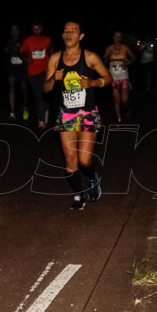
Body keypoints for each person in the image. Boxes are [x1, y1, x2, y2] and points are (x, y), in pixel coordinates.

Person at [44, 21, 112, 210]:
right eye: (65, 31)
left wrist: (93, 82)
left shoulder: (90, 57)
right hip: (66, 115)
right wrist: (52, 79)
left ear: (81, 36)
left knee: (84, 160)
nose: (68, 34)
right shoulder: (55, 59)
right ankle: (78, 195)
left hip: (88, 113)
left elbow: (108, 78)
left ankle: (92, 178)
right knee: (70, 159)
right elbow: (46, 88)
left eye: (73, 31)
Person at [21, 20, 53, 129]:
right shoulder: (28, 41)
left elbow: (52, 52)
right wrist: (26, 58)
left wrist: (53, 67)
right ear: (32, 29)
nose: (36, 31)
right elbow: (22, 52)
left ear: (42, 28)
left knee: (43, 94)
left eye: (38, 29)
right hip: (32, 72)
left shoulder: (47, 40)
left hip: (45, 71)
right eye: (34, 29)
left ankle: (42, 120)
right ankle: (42, 115)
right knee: (37, 96)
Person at [103, 31, 136, 122]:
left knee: (124, 100)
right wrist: (107, 56)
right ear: (113, 38)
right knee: (116, 100)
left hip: (123, 76)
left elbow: (134, 57)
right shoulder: (109, 48)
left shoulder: (125, 48)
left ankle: (126, 107)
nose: (117, 39)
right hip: (113, 77)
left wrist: (128, 62)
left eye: (119, 37)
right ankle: (119, 118)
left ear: (121, 38)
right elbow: (104, 61)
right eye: (116, 37)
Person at [4, 23, 30, 121]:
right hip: (12, 68)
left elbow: (27, 54)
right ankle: (12, 111)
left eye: (15, 30)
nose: (13, 32)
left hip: (22, 69)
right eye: (12, 30)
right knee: (11, 88)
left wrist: (20, 52)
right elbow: (6, 52)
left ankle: (25, 108)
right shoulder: (9, 41)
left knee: (24, 90)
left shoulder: (23, 41)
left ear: (18, 31)